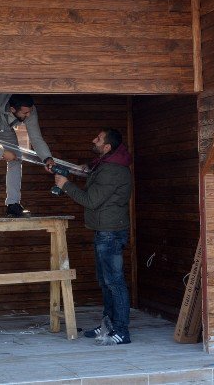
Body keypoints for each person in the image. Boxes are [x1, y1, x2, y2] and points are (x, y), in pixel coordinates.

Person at [54, 128, 133, 345]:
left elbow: (91, 200)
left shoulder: (112, 170)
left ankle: (122, 331)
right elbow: (97, 178)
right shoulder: (106, 165)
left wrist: (66, 185)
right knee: (106, 282)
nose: (93, 139)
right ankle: (108, 325)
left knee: (114, 282)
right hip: (105, 230)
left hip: (110, 233)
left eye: (98, 139)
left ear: (107, 147)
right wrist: (85, 170)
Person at [0, 94, 54, 218]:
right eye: (25, 113)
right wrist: (1, 153)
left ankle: (13, 205)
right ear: (13, 109)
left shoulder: (29, 110)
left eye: (30, 112)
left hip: (2, 125)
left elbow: (36, 138)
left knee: (16, 157)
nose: (29, 115)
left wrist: (47, 158)